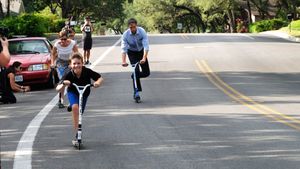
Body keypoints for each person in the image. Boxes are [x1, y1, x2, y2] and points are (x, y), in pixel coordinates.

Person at [56, 52, 103, 145]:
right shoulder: (68, 74)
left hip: (84, 94)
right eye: (74, 63)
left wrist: (97, 83)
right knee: (75, 108)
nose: (76, 65)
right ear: (70, 65)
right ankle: (77, 134)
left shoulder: (87, 71)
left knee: (80, 113)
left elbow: (100, 78)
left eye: (78, 63)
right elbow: (58, 88)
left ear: (82, 63)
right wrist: (64, 83)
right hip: (73, 92)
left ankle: (73, 106)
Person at [121, 18, 150, 101]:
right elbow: (124, 49)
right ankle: (136, 93)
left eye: (133, 27)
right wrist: (123, 61)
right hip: (132, 53)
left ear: (136, 26)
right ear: (128, 27)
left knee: (146, 73)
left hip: (141, 52)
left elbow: (146, 46)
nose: (132, 29)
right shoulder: (126, 35)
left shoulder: (142, 32)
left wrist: (144, 58)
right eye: (130, 27)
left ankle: (134, 76)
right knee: (136, 71)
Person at [51, 30, 78, 108]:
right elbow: (52, 54)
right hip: (61, 63)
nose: (63, 41)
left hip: (70, 62)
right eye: (61, 39)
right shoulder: (57, 44)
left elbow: (77, 54)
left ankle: (72, 101)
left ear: (68, 38)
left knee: (70, 81)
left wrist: (72, 63)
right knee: (62, 81)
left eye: (64, 39)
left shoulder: (72, 43)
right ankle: (61, 101)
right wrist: (53, 63)